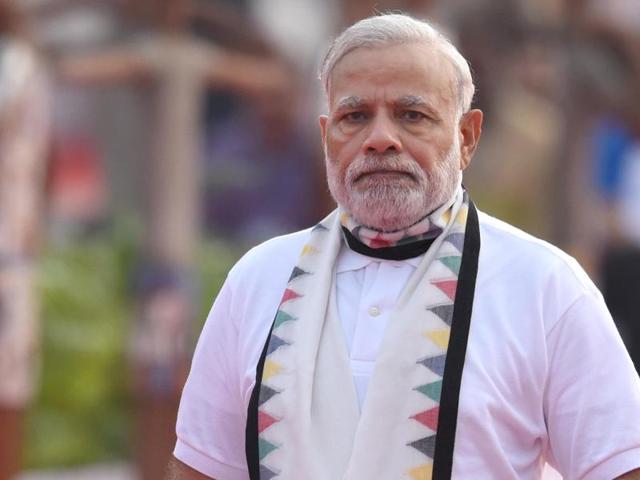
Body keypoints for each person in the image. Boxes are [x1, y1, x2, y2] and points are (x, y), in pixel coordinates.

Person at [166, 14, 640, 480]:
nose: (380, 139)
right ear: (326, 136)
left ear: (466, 136)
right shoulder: (259, 280)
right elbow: (202, 469)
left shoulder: (544, 287)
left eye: (412, 115)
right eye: (355, 117)